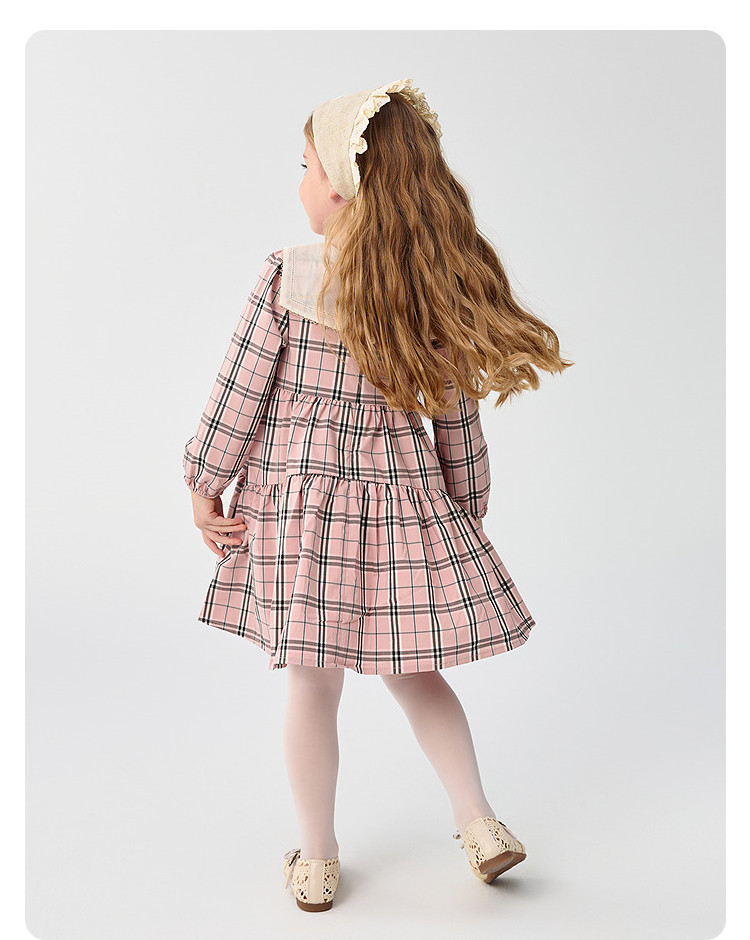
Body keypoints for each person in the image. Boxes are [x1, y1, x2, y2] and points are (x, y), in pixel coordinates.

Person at [182, 77, 573, 913]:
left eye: (305, 165)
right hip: (399, 506)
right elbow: (457, 418)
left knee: (311, 685)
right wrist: (463, 505)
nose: (299, 182)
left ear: (338, 185)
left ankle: (318, 860)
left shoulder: (290, 275)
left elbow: (238, 394)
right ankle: (479, 823)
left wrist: (205, 481)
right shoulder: (427, 287)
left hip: (304, 512)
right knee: (417, 674)